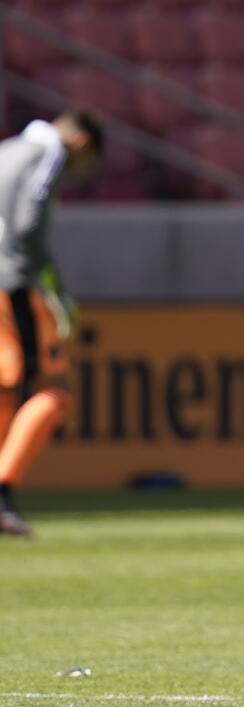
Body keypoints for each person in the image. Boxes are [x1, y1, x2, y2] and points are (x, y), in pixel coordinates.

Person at [0, 111, 103, 537]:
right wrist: (53, 285)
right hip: (11, 282)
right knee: (49, 392)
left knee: (7, 391)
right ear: (80, 141)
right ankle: (2, 492)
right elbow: (28, 221)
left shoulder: (7, 150)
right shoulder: (50, 152)